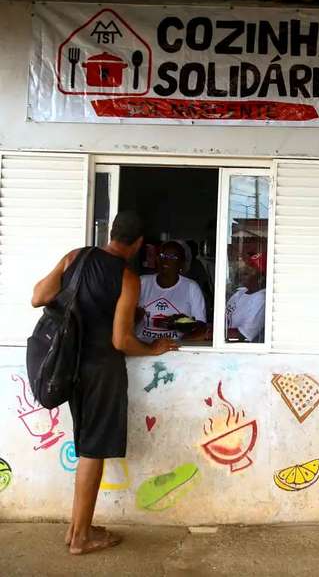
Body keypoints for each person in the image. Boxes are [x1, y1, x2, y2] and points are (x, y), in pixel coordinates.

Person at [30, 211, 177, 555]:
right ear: (139, 244)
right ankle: (81, 537)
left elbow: (38, 297)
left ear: (111, 233)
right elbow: (121, 341)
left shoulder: (75, 256)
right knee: (93, 451)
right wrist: (153, 349)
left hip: (69, 365)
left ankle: (77, 527)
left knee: (85, 444)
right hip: (101, 371)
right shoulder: (127, 278)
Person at [135, 241, 208, 342]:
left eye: (173, 257)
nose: (165, 260)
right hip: (142, 347)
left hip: (174, 351)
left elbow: (201, 327)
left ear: (182, 264)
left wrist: (182, 323)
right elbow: (124, 319)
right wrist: (136, 314)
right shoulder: (142, 282)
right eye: (162, 255)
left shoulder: (191, 287)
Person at [226, 252, 267, 343]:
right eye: (242, 272)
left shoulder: (261, 299)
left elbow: (244, 335)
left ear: (260, 278)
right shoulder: (240, 292)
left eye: (246, 274)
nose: (241, 277)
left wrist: (216, 334)